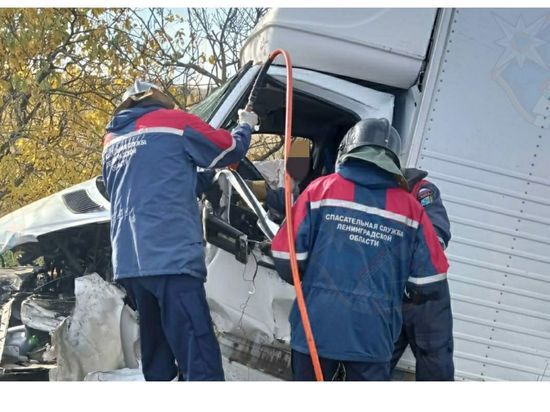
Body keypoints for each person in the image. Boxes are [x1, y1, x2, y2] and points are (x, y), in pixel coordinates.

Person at [270, 118, 450, 381]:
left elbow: (287, 259)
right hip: (373, 338)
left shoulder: (319, 190)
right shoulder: (411, 210)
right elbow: (429, 282)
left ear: (348, 150)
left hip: (315, 329)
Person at [101, 80, 257, 381]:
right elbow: (230, 150)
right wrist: (245, 126)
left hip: (131, 264)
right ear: (159, 99)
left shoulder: (112, 139)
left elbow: (133, 189)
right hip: (170, 260)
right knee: (199, 358)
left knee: (157, 358)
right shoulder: (174, 122)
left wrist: (198, 181)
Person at [390, 168, 454, 381]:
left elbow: (438, 232)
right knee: (374, 361)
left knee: (435, 366)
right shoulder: (374, 193)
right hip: (390, 295)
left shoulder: (422, 190)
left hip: (427, 296)